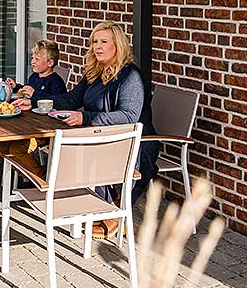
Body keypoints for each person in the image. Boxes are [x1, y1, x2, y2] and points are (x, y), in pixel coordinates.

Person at [15, 21, 159, 239]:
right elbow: (71, 99)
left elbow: (128, 116)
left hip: (134, 143)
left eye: (104, 42)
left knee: (77, 153)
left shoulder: (130, 77)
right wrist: (34, 101)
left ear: (118, 46)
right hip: (101, 138)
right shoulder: (95, 72)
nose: (97, 47)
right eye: (94, 42)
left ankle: (115, 214)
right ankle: (90, 202)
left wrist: (85, 117)